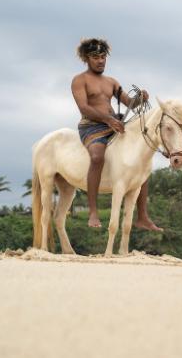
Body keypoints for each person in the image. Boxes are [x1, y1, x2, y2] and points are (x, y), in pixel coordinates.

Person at [70, 38, 163, 231]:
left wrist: (139, 98)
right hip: (91, 126)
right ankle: (93, 212)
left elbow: (129, 103)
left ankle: (142, 216)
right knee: (97, 157)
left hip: (114, 124)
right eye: (96, 57)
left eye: (103, 57)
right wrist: (108, 119)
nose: (101, 61)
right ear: (87, 58)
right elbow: (84, 108)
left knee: (140, 159)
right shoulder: (80, 80)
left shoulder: (111, 82)